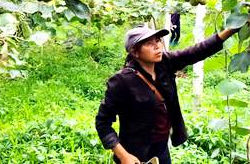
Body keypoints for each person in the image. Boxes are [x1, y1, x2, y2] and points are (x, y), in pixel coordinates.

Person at [95, 25, 238, 164]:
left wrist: (232, 29)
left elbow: (197, 51)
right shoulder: (121, 81)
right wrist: (123, 155)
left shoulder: (165, 63)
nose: (157, 46)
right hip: (135, 153)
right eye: (149, 44)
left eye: (158, 40)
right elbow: (103, 123)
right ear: (135, 52)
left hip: (162, 148)